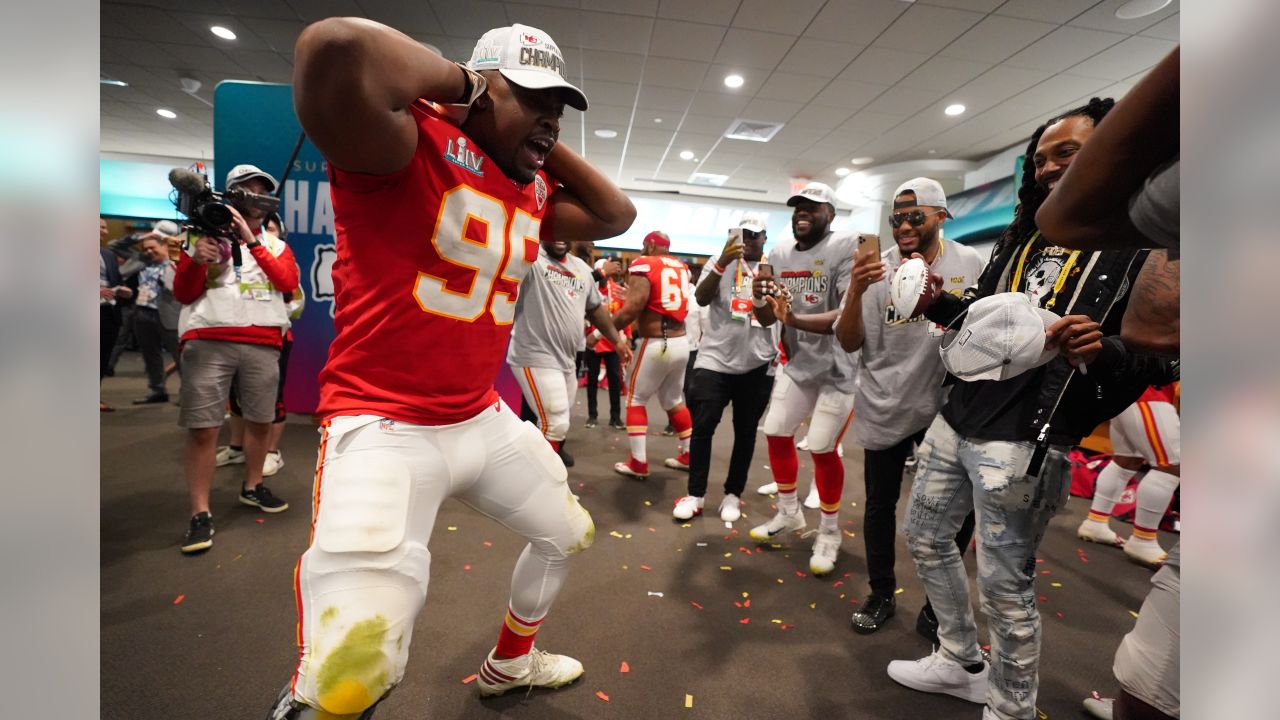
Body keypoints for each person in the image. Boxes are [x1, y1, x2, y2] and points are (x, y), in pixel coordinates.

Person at [270, 18, 635, 717]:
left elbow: (615, 213)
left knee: (566, 533)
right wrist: (464, 90)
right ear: (478, 88)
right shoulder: (406, 145)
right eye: (534, 97)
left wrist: (534, 137)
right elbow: (334, 47)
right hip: (385, 423)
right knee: (352, 676)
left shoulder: (526, 189)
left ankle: (512, 662)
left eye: (559, 106)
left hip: (478, 417)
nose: (551, 118)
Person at [885, 99, 1178, 720]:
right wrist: (935, 303)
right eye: (1041, 158)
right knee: (926, 537)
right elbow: (982, 326)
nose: (1048, 168)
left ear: (1112, 153)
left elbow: (1163, 355)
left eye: (1067, 153)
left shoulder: (1148, 242)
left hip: (1028, 440)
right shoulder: (1027, 232)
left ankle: (1011, 707)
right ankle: (960, 660)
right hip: (960, 416)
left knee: (1004, 585)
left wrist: (1105, 350)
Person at [833, 178, 985, 634]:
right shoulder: (873, 271)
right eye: (896, 217)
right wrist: (857, 293)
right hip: (887, 401)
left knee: (959, 508)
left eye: (914, 215)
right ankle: (881, 592)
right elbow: (847, 341)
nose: (903, 225)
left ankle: (939, 605)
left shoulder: (969, 262)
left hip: (949, 404)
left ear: (942, 216)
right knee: (880, 504)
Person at [172, 163, 299, 554]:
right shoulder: (198, 235)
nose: (256, 196)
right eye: (248, 189)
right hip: (208, 336)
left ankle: (253, 485)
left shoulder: (276, 244)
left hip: (263, 341)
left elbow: (287, 284)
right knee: (204, 427)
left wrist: (252, 242)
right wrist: (197, 258)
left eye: (263, 190)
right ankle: (200, 513)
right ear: (232, 195)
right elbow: (183, 292)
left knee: (261, 421)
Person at [747, 181, 858, 577]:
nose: (802, 213)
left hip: (838, 368)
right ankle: (789, 513)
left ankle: (829, 531)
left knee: (823, 447)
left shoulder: (846, 247)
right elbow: (764, 317)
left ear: (831, 214)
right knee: (776, 430)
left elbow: (846, 317)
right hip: (797, 364)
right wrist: (760, 297)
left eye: (812, 207)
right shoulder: (777, 251)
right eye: (797, 207)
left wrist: (792, 319)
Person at [672, 214, 777, 522]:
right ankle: (695, 494)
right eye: (741, 234)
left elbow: (781, 312)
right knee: (702, 427)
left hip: (758, 363)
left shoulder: (774, 267)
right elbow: (702, 298)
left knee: (745, 433)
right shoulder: (719, 262)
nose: (747, 241)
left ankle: (733, 494)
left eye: (753, 235)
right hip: (715, 360)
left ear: (764, 238)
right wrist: (720, 263)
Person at [508, 234, 631, 466]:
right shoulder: (533, 259)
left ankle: (530, 478)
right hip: (534, 354)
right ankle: (539, 488)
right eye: (555, 229)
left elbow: (595, 309)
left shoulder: (581, 268)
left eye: (567, 230)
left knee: (556, 424)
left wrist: (617, 341)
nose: (560, 236)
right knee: (555, 424)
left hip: (567, 359)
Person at [213, 212, 301, 478]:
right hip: (236, 336)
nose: (266, 233)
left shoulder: (282, 257)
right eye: (264, 228)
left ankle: (272, 452)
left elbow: (294, 298)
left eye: (272, 230)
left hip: (274, 338)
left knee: (271, 401)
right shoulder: (232, 254)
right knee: (235, 398)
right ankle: (237, 447)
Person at [610, 231, 693, 478]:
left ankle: (638, 462)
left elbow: (633, 309)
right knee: (673, 400)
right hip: (681, 342)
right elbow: (660, 299)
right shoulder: (682, 267)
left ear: (651, 244)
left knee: (636, 398)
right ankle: (690, 454)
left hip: (657, 342)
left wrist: (604, 331)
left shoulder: (644, 264)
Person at [1077, 384, 1180, 567]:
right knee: (1172, 466)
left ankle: (1096, 522)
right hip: (1149, 391)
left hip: (1132, 388)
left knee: (1126, 460)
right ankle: (1143, 539)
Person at [131, 232, 178, 404]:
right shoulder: (142, 264)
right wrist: (140, 237)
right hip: (143, 312)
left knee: (180, 356)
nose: (149, 251)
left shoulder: (175, 264)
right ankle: (157, 390)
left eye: (153, 248)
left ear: (165, 246)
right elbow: (116, 246)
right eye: (146, 249)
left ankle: (189, 393)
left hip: (168, 313)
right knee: (150, 355)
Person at [584, 257, 626, 429]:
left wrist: (626, 339)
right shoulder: (589, 290)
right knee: (592, 379)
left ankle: (615, 417)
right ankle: (592, 416)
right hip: (592, 343)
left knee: (615, 381)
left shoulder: (617, 291)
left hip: (611, 343)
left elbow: (623, 318)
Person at [99, 217, 132, 411]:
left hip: (108, 311)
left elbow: (115, 281)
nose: (105, 231)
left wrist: (122, 291)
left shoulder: (108, 254)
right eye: (100, 228)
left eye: (104, 228)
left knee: (102, 356)